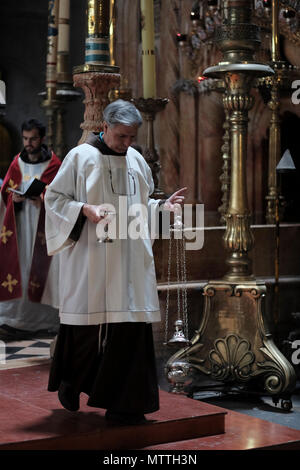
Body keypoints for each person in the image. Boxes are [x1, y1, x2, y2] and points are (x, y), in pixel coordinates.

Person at [44, 99, 186, 424]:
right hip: (91, 260)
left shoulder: (136, 159)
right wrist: (83, 209)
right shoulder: (80, 157)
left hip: (130, 263)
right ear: (104, 127)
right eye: (121, 136)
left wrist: (162, 209)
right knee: (85, 332)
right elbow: (55, 198)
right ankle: (72, 382)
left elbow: (143, 204)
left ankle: (126, 405)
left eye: (132, 137)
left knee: (130, 334)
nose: (127, 143)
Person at [0, 119, 61, 339]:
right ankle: (15, 318)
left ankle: (45, 320)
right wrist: (13, 198)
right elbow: (6, 191)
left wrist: (42, 199)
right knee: (22, 267)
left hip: (43, 226)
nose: (28, 143)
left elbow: (62, 196)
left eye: (33, 138)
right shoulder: (17, 162)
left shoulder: (54, 165)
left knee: (42, 272)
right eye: (25, 138)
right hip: (21, 226)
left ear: (42, 138)